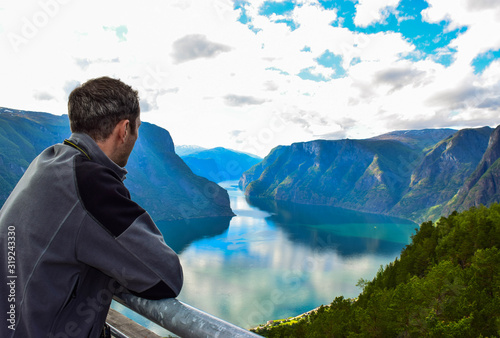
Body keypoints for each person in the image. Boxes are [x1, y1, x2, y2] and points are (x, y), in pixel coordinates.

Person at [0, 77, 183, 337]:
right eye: (137, 128)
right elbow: (166, 276)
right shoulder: (90, 184)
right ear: (124, 129)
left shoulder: (48, 161)